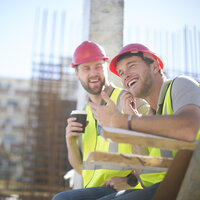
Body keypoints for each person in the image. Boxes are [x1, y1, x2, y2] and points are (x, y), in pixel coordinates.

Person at [87, 43, 200, 199]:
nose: (125, 75)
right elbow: (145, 179)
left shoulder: (181, 84)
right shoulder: (148, 117)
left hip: (195, 185)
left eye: (131, 66)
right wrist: (130, 126)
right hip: (164, 188)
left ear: (154, 66)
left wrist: (124, 120)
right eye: (121, 73)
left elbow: (188, 128)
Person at [52, 41, 149, 200]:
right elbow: (81, 168)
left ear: (106, 66)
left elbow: (153, 150)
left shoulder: (129, 100)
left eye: (98, 66)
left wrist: (130, 181)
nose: (93, 73)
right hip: (94, 193)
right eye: (86, 68)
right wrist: (70, 141)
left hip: (124, 191)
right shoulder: (85, 114)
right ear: (77, 73)